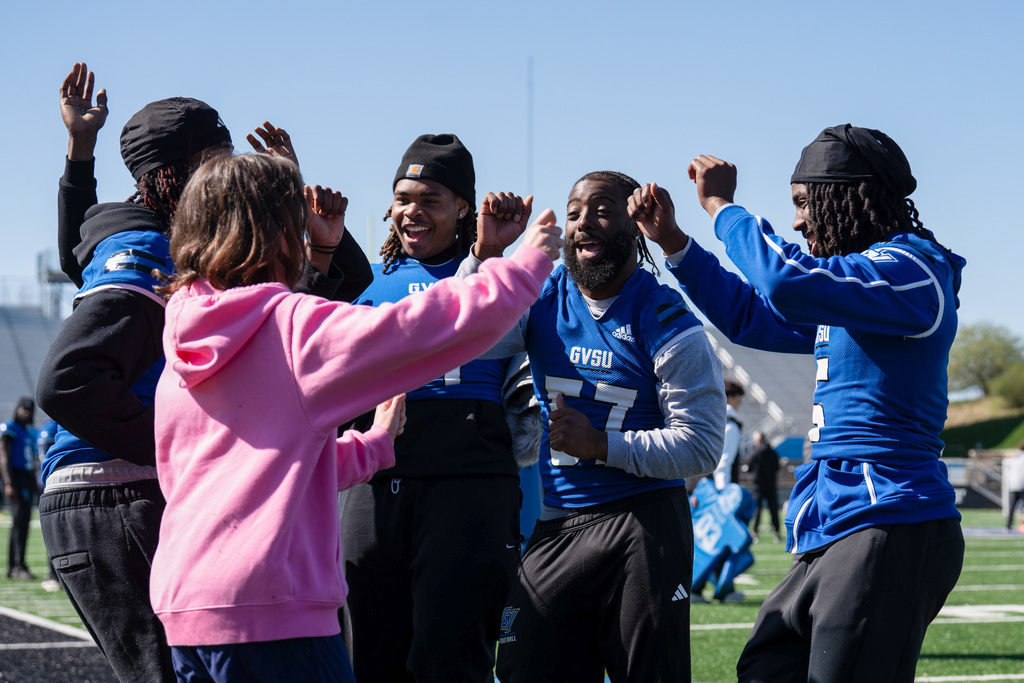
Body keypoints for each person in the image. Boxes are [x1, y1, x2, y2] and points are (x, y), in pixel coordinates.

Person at [149, 151, 560, 682]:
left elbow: (252, 468)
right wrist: (520, 270)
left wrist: (374, 445)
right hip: (275, 611)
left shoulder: (182, 337)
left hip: (187, 608)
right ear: (271, 232)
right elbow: (420, 329)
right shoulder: (290, 325)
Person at [36, 62, 370, 682]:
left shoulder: (153, 240)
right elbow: (67, 380)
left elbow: (74, 249)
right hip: (117, 493)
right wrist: (179, 456)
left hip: (119, 495)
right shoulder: (148, 257)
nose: (228, 180)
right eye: (215, 165)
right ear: (169, 178)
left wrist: (80, 157)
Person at [633, 123, 965, 682]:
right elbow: (747, 314)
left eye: (805, 203)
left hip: (891, 516)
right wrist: (676, 246)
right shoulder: (853, 290)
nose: (797, 220)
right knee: (767, 668)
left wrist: (722, 208)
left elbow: (784, 281)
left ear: (848, 197)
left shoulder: (914, 272)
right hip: (838, 520)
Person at [463, 170, 724, 683]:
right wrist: (487, 258)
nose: (584, 224)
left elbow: (702, 445)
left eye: (602, 211)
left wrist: (602, 445)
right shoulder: (543, 295)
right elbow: (464, 338)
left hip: (643, 524)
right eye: (575, 212)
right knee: (524, 668)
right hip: (559, 521)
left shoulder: (667, 317)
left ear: (635, 223)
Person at [341, 133, 538, 682]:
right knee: (370, 658)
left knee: (450, 660)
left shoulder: (503, 280)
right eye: (404, 198)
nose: (413, 211)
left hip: (467, 485)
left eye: (430, 199)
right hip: (376, 487)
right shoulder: (368, 288)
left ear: (463, 208)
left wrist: (487, 256)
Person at [1, 397, 38, 580]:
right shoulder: (10, 428)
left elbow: (32, 462)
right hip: (15, 477)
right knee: (18, 523)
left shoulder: (28, 433)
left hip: (25, 479)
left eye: (30, 410)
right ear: (17, 409)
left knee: (24, 523)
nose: (27, 413)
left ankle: (18, 565)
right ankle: (16, 566)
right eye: (24, 409)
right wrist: (8, 483)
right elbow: (3, 456)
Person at [746, 431, 781, 542]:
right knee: (773, 509)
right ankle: (777, 533)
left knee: (757, 509)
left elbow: (749, 466)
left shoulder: (755, 452)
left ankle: (755, 533)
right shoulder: (772, 452)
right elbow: (777, 467)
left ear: (757, 440)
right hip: (770, 484)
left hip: (758, 485)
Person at [714, 379, 745, 488]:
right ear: (729, 398)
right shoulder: (730, 425)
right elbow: (724, 461)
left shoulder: (713, 419)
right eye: (738, 398)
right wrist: (722, 490)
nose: (740, 402)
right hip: (715, 486)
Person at [1005, 443, 1024, 531]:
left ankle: (1008, 525)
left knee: (1011, 507)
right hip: (1022, 485)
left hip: (1013, 485)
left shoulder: (1015, 457)